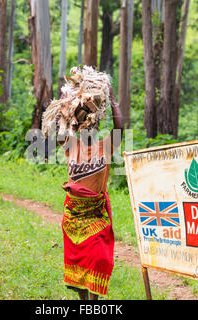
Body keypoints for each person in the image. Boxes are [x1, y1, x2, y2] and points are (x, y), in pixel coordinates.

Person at [58, 84, 124, 300]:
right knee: (77, 261)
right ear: (77, 127)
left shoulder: (105, 146)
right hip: (74, 217)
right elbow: (59, 124)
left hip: (95, 215)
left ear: (97, 128)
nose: (88, 130)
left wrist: (113, 102)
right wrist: (66, 100)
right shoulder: (70, 145)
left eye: (92, 126)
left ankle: (93, 303)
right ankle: (84, 301)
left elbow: (120, 130)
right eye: (83, 126)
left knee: (98, 259)